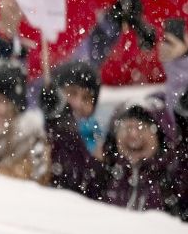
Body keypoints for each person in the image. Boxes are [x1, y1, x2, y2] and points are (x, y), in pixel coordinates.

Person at [43, 89, 187, 219]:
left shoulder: (172, 179)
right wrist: (59, 119)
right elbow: (70, 166)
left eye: (142, 127)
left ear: (160, 137)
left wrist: (184, 120)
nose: (133, 134)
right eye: (126, 127)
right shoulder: (102, 175)